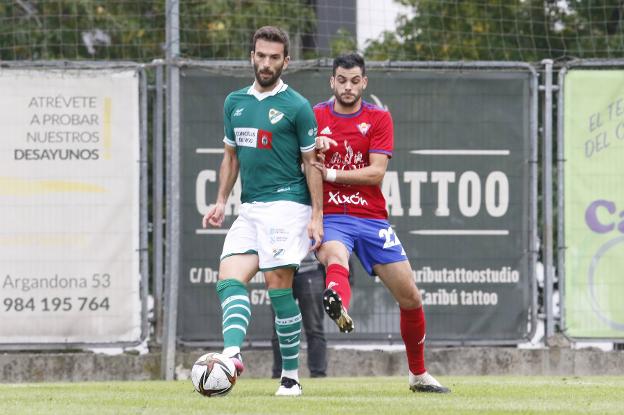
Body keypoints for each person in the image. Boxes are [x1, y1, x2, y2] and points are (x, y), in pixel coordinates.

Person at [312, 53, 451, 393]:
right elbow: (301, 162)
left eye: (354, 80)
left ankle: (418, 375)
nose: (347, 87)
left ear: (364, 82)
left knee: (411, 298)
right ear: (332, 81)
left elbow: (376, 173)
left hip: (372, 219)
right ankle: (335, 297)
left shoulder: (378, 118)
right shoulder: (314, 116)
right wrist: (313, 148)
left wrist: (329, 170)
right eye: (341, 80)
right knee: (335, 258)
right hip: (332, 215)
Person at [202, 26, 323, 397]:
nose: (266, 63)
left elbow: (312, 163)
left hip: (288, 206)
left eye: (274, 57)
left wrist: (317, 216)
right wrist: (222, 200)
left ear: (286, 61)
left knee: (276, 286)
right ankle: (232, 355)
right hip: (251, 207)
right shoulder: (234, 102)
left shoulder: (297, 106)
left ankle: (290, 376)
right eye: (261, 55)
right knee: (228, 278)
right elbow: (230, 156)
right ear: (252, 56)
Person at [271, 252, 327, 379]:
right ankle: (279, 374)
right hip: (280, 269)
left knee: (314, 328)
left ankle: (318, 374)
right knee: (279, 327)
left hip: (309, 270)